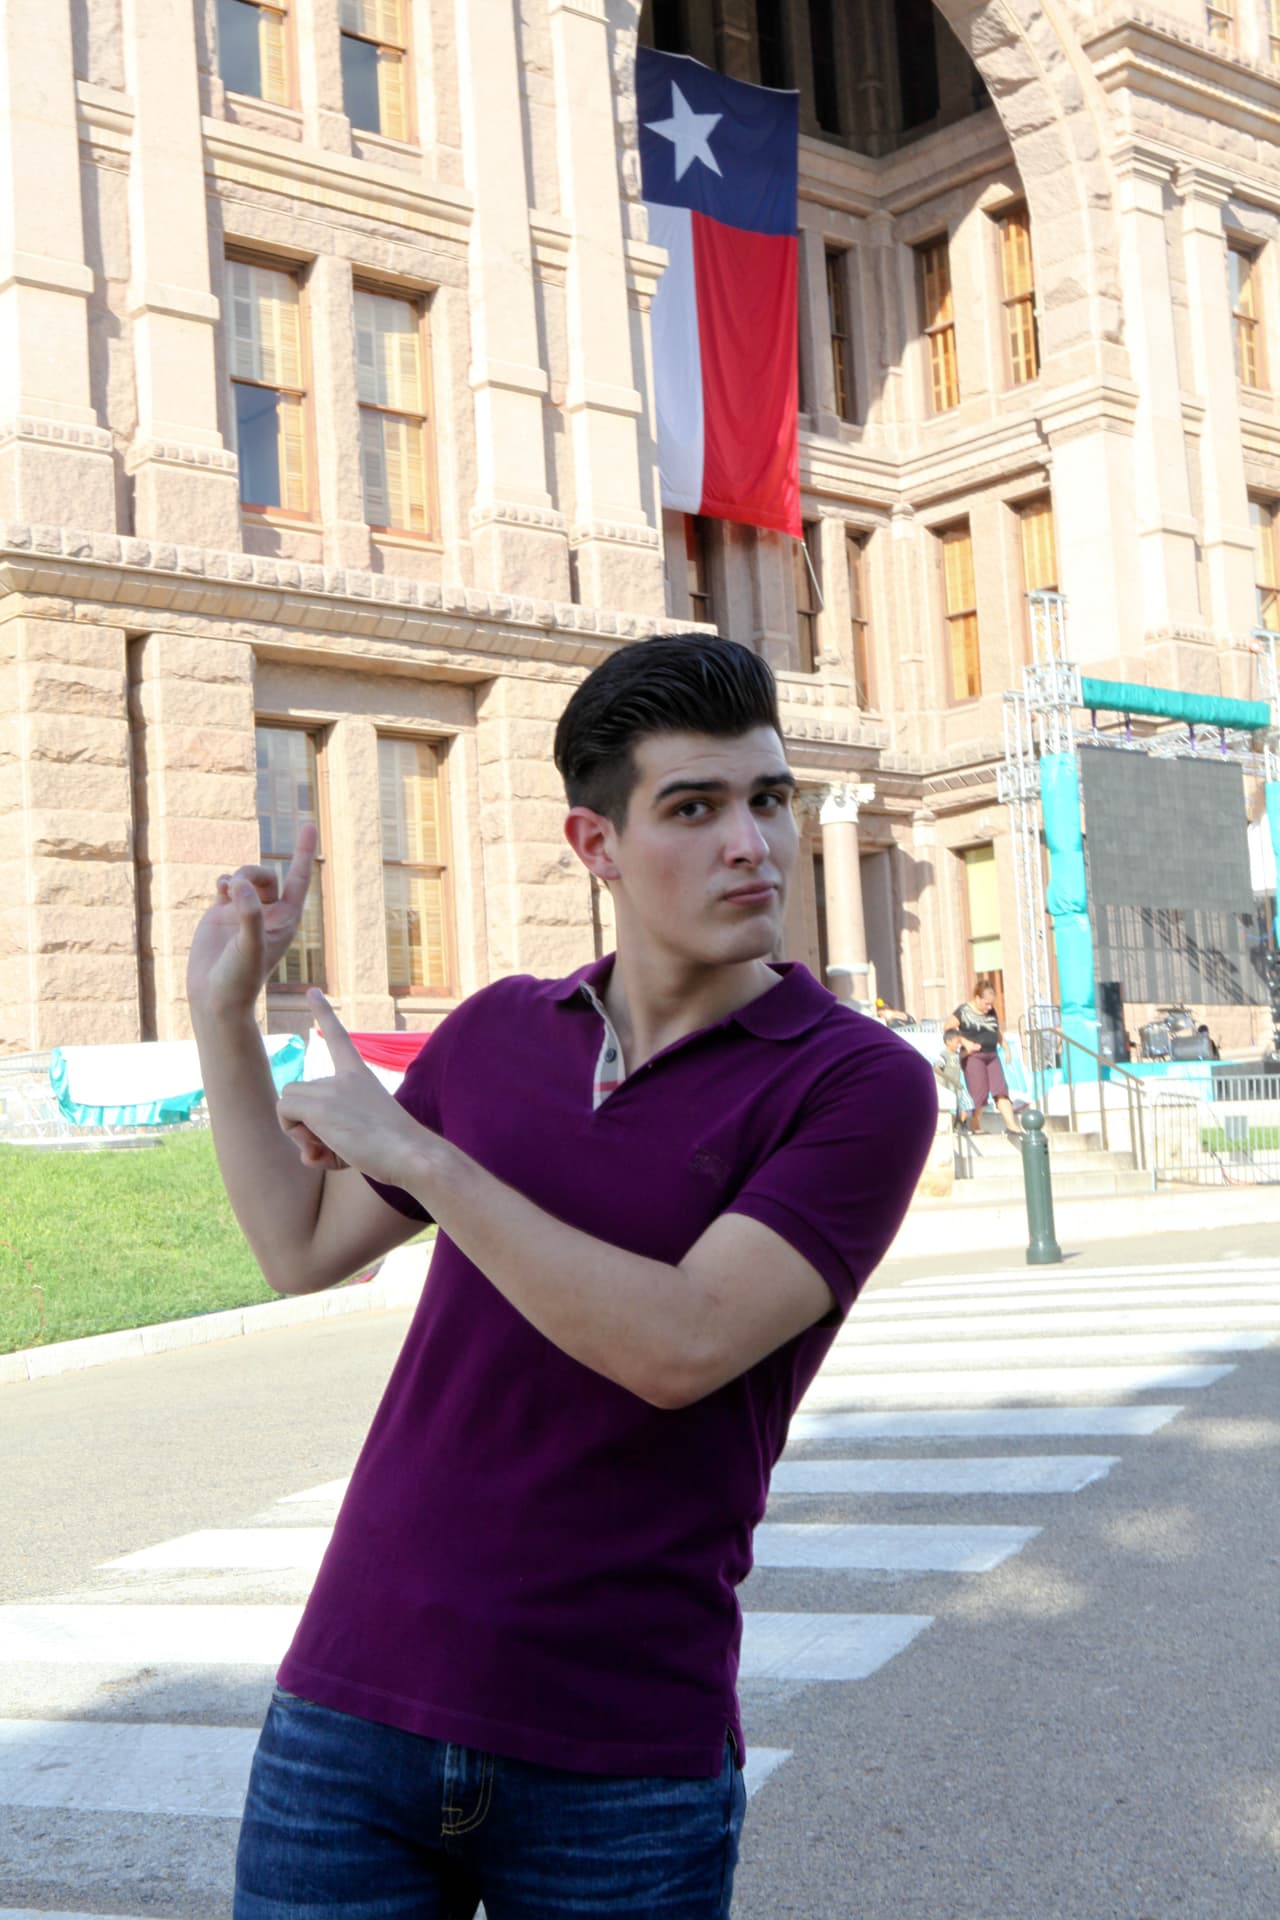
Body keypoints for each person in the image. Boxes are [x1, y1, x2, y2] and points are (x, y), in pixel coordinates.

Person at [187, 634, 938, 1920]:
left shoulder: (853, 1082)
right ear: (593, 846)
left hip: (619, 1757)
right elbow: (298, 1247)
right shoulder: (492, 1034)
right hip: (354, 1702)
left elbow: (681, 1345)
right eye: (692, 809)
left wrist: (422, 1158)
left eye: (768, 799)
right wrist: (224, 1018)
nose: (751, 844)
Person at [943, 976, 1021, 1138]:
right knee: (980, 1093)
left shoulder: (991, 1011)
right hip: (973, 1057)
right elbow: (947, 1028)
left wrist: (1005, 1046)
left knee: (1001, 1090)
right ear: (977, 998)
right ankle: (975, 1124)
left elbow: (994, 1029)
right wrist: (965, 1042)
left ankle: (1012, 1126)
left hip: (992, 1054)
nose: (989, 1007)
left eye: (991, 1003)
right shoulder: (963, 1011)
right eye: (986, 1003)